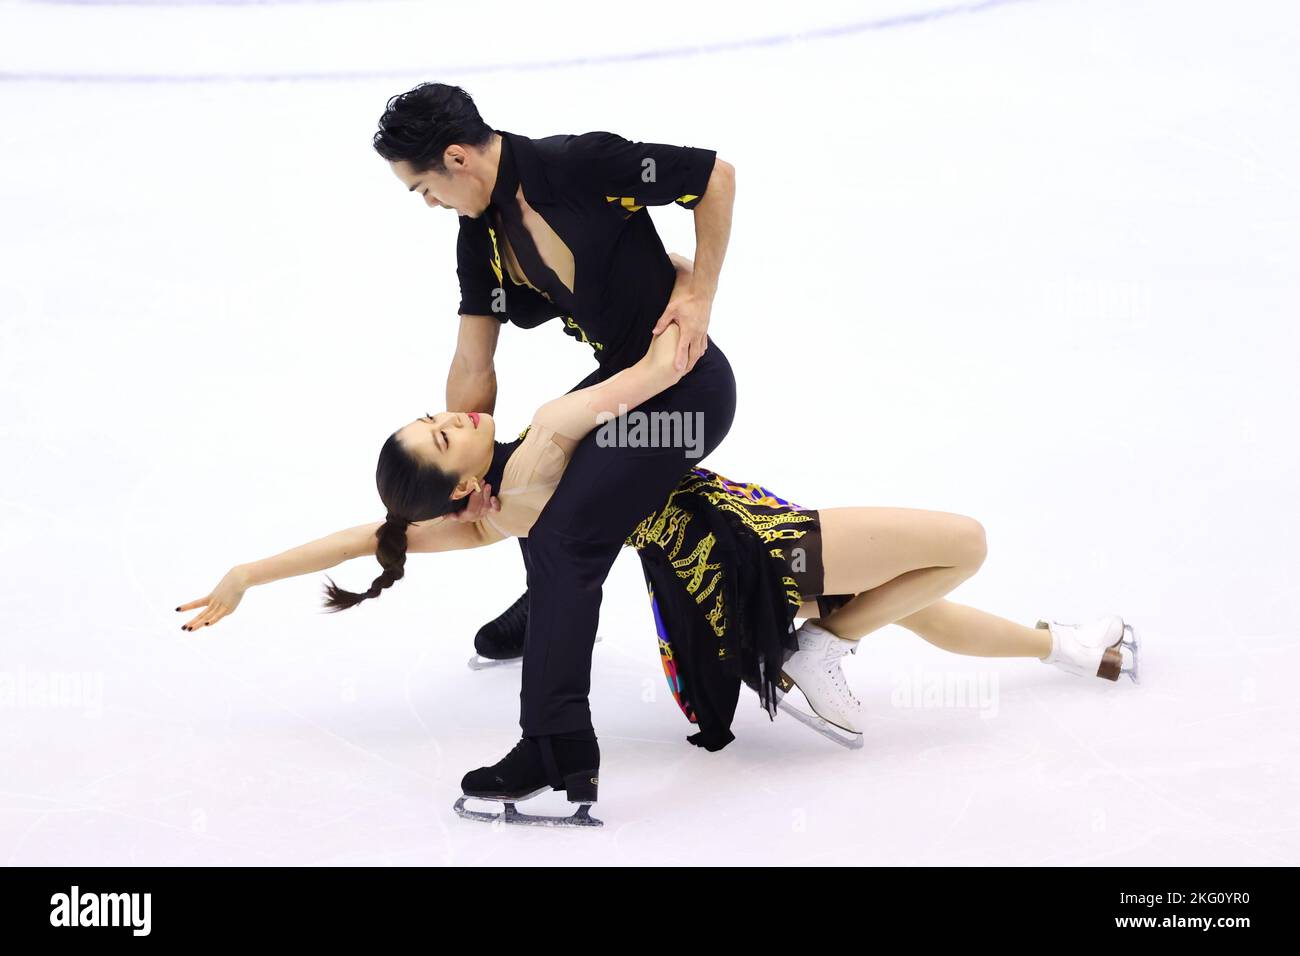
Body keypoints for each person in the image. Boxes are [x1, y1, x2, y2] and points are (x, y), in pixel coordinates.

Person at [175, 315, 1140, 827]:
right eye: (442, 432)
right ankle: (824, 645)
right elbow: (657, 372)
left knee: (922, 606)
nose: (457, 414)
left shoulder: (497, 518)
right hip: (755, 543)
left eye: (440, 415)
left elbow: (368, 539)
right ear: (456, 474)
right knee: (962, 542)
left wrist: (248, 572)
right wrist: (674, 327)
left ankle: (1074, 649)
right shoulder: (535, 455)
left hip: (728, 565)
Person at [369, 82, 739, 801]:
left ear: (455, 159)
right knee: (522, 467)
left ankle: (556, 744)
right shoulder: (480, 240)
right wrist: (467, 477)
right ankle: (547, 604)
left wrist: (698, 298)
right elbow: (475, 365)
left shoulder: (580, 165)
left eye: (422, 188)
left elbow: (714, 178)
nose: (428, 203)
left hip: (685, 394)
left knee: (568, 538)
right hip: (619, 384)